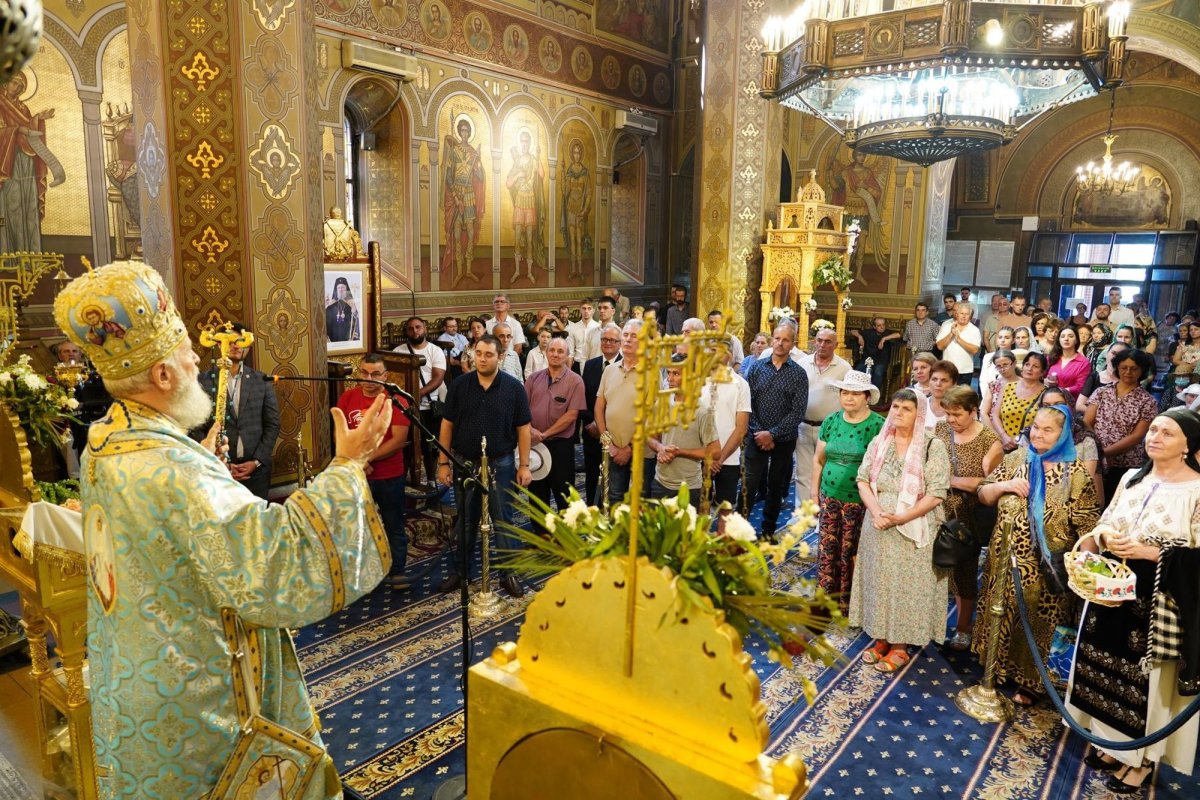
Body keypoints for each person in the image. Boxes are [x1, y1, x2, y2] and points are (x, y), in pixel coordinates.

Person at [53, 260, 392, 798]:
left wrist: (199, 462)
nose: (196, 360)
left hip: (136, 672)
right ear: (163, 376)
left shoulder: (105, 442)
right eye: (186, 351)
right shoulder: (175, 470)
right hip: (200, 691)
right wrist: (347, 466)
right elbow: (275, 563)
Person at [1067, 408, 1200, 793]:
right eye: (1153, 429)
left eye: (1167, 433)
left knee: (1146, 683)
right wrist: (1104, 537)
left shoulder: (1196, 490)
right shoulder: (1131, 478)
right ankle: (1112, 746)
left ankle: (1141, 760)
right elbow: (1107, 520)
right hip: (1111, 587)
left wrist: (1149, 552)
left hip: (1159, 598)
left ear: (1188, 445)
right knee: (1102, 668)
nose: (1155, 437)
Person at [975, 404, 1099, 705]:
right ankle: (995, 668)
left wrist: (1085, 565)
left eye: (1048, 430)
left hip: (1045, 569)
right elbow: (983, 494)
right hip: (1004, 560)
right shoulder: (1017, 458)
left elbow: (1088, 526)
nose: (1038, 434)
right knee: (1000, 611)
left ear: (1063, 434)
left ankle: (1032, 680)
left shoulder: (1075, 473)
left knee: (1038, 623)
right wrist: (1005, 485)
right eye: (1036, 427)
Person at [851, 388, 951, 673]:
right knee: (879, 581)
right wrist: (876, 512)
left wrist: (901, 517)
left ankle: (900, 645)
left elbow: (936, 493)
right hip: (878, 524)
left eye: (906, 409)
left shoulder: (933, 445)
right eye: (895, 407)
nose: (898, 413)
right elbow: (862, 480)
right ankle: (881, 637)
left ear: (919, 414)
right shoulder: (880, 441)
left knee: (907, 586)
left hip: (913, 525)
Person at [436, 334, 533, 597]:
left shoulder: (514, 388)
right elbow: (447, 424)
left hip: (501, 462)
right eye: (478, 353)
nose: (481, 359)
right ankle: (461, 572)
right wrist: (443, 462)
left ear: (500, 356)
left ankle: (508, 573)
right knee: (466, 521)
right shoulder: (459, 385)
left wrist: (524, 465)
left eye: (488, 354)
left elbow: (524, 428)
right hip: (465, 463)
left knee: (503, 520)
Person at [935, 386, 1002, 651]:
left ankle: (963, 628)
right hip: (936, 510)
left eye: (957, 414)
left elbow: (990, 484)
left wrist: (952, 480)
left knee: (964, 574)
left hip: (966, 516)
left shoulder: (989, 440)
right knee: (933, 569)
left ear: (973, 411)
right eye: (948, 414)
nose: (951, 420)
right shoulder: (940, 430)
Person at [813, 370, 885, 614]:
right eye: (845, 392)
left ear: (867, 397)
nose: (849, 398)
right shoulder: (831, 421)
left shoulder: (878, 425)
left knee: (851, 551)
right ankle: (825, 599)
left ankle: (850, 604)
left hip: (859, 501)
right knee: (827, 548)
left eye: (855, 393)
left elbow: (880, 467)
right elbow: (818, 460)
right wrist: (814, 494)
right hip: (829, 496)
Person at [338, 354, 411, 589]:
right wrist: (356, 461)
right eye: (364, 373)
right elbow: (340, 434)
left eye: (376, 374)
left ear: (386, 376)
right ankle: (362, 575)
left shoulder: (397, 400)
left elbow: (398, 440)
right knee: (358, 527)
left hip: (389, 475)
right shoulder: (348, 398)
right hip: (357, 475)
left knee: (393, 523)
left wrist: (366, 458)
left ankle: (397, 571)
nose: (369, 379)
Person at [197, 322, 280, 501]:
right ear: (219, 343)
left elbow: (272, 424)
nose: (235, 345)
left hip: (256, 472)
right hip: (218, 471)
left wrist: (256, 461)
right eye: (230, 340)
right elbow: (195, 428)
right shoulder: (202, 381)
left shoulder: (261, 380)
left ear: (247, 346)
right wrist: (220, 462)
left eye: (240, 341)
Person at [744, 322, 809, 541]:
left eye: (786, 340)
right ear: (772, 340)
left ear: (793, 344)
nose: (780, 343)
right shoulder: (756, 368)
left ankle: (768, 531)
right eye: (777, 339)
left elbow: (797, 411)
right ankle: (739, 531)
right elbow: (747, 403)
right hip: (756, 436)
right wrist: (760, 433)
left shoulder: (799, 374)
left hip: (784, 439)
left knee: (776, 486)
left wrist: (772, 434)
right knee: (749, 485)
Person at [1085, 348, 1158, 503]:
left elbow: (1137, 436)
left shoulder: (1148, 401)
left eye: (1134, 369)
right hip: (1093, 457)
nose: (1128, 372)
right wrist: (1096, 450)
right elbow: (1087, 422)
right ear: (1117, 368)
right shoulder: (1101, 392)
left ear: (1142, 370)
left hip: (1125, 463)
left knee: (1114, 503)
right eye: (1124, 367)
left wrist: (1105, 453)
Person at [525, 337, 585, 518]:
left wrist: (544, 434)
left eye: (560, 351)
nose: (555, 354)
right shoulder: (533, 378)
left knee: (564, 493)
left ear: (567, 356)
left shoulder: (575, 381)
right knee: (537, 492)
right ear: (546, 352)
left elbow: (571, 415)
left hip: (560, 446)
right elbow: (522, 410)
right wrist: (530, 430)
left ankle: (565, 531)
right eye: (552, 350)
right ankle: (540, 532)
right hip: (534, 444)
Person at [595, 319, 653, 504]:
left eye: (634, 336)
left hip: (641, 452)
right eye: (625, 335)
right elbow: (599, 407)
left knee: (639, 502)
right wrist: (609, 444)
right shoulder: (610, 370)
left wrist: (629, 448)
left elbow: (650, 417)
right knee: (613, 499)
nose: (627, 339)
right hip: (612, 449)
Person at [795, 326, 851, 509]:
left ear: (836, 344)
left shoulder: (844, 368)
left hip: (830, 430)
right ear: (814, 342)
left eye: (828, 342)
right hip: (803, 426)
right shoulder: (802, 363)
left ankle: (824, 512)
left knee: (827, 471)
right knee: (803, 472)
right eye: (819, 340)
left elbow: (850, 398)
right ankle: (803, 513)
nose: (822, 345)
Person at [650, 355, 720, 501]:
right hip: (660, 482)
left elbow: (715, 452)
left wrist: (680, 452)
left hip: (689, 487)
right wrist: (660, 448)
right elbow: (650, 436)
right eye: (669, 373)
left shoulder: (702, 411)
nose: (670, 378)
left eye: (676, 374)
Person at [698, 346, 751, 508]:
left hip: (729, 457)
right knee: (701, 506)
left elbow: (741, 428)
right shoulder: (698, 380)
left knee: (725, 509)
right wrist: (707, 458)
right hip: (699, 456)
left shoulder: (741, 384)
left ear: (729, 354)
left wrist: (718, 460)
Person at [580, 323, 621, 504]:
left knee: (615, 481)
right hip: (592, 432)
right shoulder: (591, 365)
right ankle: (592, 511)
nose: (607, 343)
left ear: (620, 343)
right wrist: (594, 423)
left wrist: (605, 426)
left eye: (612, 340)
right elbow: (583, 398)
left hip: (616, 435)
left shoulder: (625, 366)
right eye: (604, 339)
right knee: (592, 477)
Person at [1041, 387, 1104, 504]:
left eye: (1059, 404)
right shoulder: (1031, 436)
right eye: (1046, 405)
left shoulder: (1085, 441)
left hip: (1073, 504)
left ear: (1069, 406)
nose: (1053, 409)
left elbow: (1083, 484)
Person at [991, 352, 1047, 452]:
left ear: (1042, 372)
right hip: (1003, 445)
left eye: (1035, 366)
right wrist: (1003, 436)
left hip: (1030, 448)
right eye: (1027, 364)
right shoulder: (1008, 387)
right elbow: (995, 415)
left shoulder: (1046, 393)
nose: (1030, 369)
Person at [936, 302, 981, 385]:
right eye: (962, 313)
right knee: (947, 392)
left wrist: (959, 339)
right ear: (957, 314)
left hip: (965, 371)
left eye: (967, 314)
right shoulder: (946, 326)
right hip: (948, 369)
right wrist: (951, 334)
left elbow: (974, 350)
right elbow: (939, 346)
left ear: (970, 316)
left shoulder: (974, 330)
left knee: (963, 393)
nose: (964, 316)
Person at [851, 316, 900, 388]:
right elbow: (853, 331)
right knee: (856, 372)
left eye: (883, 325)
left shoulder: (887, 332)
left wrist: (884, 339)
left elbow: (898, 335)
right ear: (874, 327)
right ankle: (858, 390)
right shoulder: (869, 332)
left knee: (877, 373)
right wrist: (860, 336)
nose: (882, 327)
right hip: (867, 359)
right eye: (879, 325)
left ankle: (873, 392)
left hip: (881, 361)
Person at [1047, 325, 1091, 397]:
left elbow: (1080, 387)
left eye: (1070, 336)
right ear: (1059, 340)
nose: (1066, 339)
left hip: (1070, 399)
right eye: (1063, 336)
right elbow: (1041, 376)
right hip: (1049, 397)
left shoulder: (1084, 362)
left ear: (1076, 340)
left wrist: (1059, 392)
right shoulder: (1051, 357)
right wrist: (1046, 381)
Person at [979, 327, 1015, 413]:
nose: (1002, 340)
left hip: (1009, 401)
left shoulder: (1016, 356)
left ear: (1013, 340)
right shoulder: (988, 357)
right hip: (988, 399)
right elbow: (983, 380)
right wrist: (989, 398)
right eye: (1000, 337)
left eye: (1007, 338)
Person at [583, 295, 618, 361]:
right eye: (599, 308)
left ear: (613, 311)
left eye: (605, 308)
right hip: (593, 367)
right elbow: (584, 356)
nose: (601, 311)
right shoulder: (591, 333)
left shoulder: (619, 333)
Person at [325, 276, 359, 342]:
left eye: (343, 287)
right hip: (333, 342)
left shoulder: (351, 306)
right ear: (336, 290)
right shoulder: (329, 308)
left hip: (348, 341)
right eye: (339, 288)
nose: (341, 290)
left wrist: (354, 313)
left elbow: (356, 323)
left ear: (346, 289)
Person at [568, 298, 599, 368]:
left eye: (589, 308)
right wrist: (568, 371)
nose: (586, 311)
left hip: (594, 364)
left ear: (593, 311)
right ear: (580, 310)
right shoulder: (573, 327)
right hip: (577, 364)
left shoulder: (598, 327)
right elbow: (570, 353)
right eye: (584, 308)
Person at [925, 360, 957, 429]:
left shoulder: (962, 410)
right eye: (934, 379)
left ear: (954, 384)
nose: (938, 384)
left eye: (944, 380)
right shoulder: (919, 405)